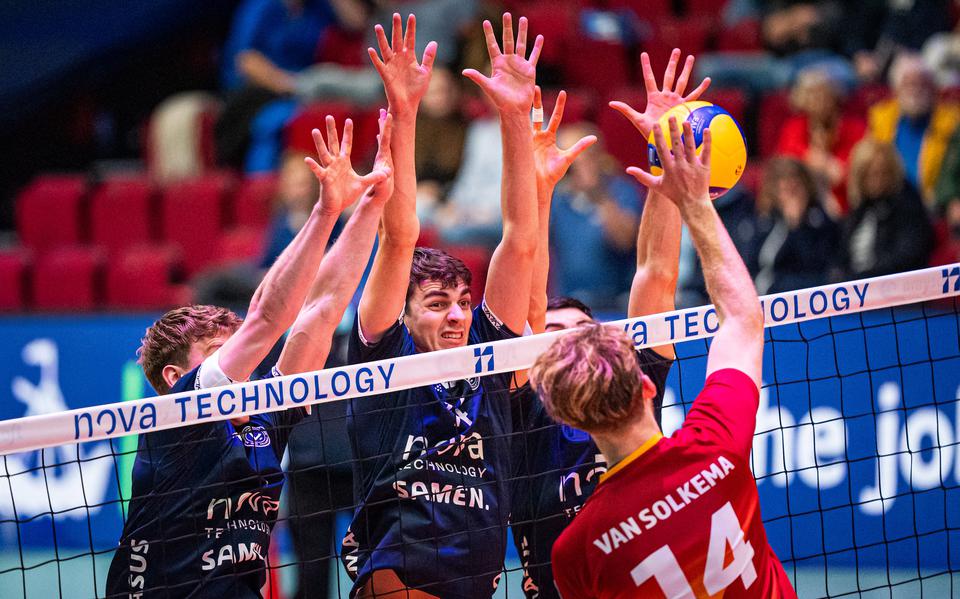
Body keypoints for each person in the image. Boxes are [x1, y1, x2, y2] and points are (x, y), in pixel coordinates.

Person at [105, 113, 394, 598]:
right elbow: (267, 318)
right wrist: (324, 211)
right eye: (221, 352)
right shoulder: (177, 423)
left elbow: (322, 310)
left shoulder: (262, 421)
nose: (245, 364)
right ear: (178, 376)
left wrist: (369, 203)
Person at [539, 116, 796, 598]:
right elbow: (742, 319)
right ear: (647, 386)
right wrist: (695, 202)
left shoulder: (577, 549)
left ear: (568, 415)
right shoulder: (715, 447)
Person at [341, 12, 542, 598]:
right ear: (404, 314)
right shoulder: (384, 353)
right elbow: (399, 235)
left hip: (477, 577)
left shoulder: (487, 349)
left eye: (462, 301)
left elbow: (520, 240)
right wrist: (403, 112)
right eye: (436, 303)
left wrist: (513, 117)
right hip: (400, 571)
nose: (457, 314)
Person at [509, 49, 709, 598]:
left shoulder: (626, 387)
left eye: (582, 332)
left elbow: (656, 274)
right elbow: (525, 284)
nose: (570, 344)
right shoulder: (520, 414)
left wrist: (666, 162)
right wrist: (540, 190)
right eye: (553, 337)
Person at [868, 53, 960, 205]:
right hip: (891, 204)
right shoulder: (879, 121)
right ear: (896, 90)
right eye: (909, 84)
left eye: (922, 83)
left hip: (936, 205)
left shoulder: (952, 122)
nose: (916, 90)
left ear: (933, 89)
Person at [840, 138, 934, 279]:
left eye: (882, 172)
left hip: (897, 289)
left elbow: (907, 256)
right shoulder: (858, 210)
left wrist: (863, 277)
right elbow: (840, 257)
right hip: (857, 290)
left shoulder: (907, 203)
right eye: (869, 174)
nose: (876, 180)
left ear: (892, 172)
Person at [776, 67, 865, 214]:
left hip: (847, 205)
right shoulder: (793, 127)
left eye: (824, 93)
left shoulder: (855, 129)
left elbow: (849, 174)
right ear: (802, 98)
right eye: (812, 94)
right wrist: (821, 162)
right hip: (803, 203)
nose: (819, 100)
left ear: (835, 95)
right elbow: (788, 162)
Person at [751, 157, 840, 294]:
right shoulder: (765, 221)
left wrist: (796, 225)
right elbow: (759, 263)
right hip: (771, 295)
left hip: (812, 293)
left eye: (796, 188)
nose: (792, 195)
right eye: (786, 189)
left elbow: (816, 265)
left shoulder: (820, 220)